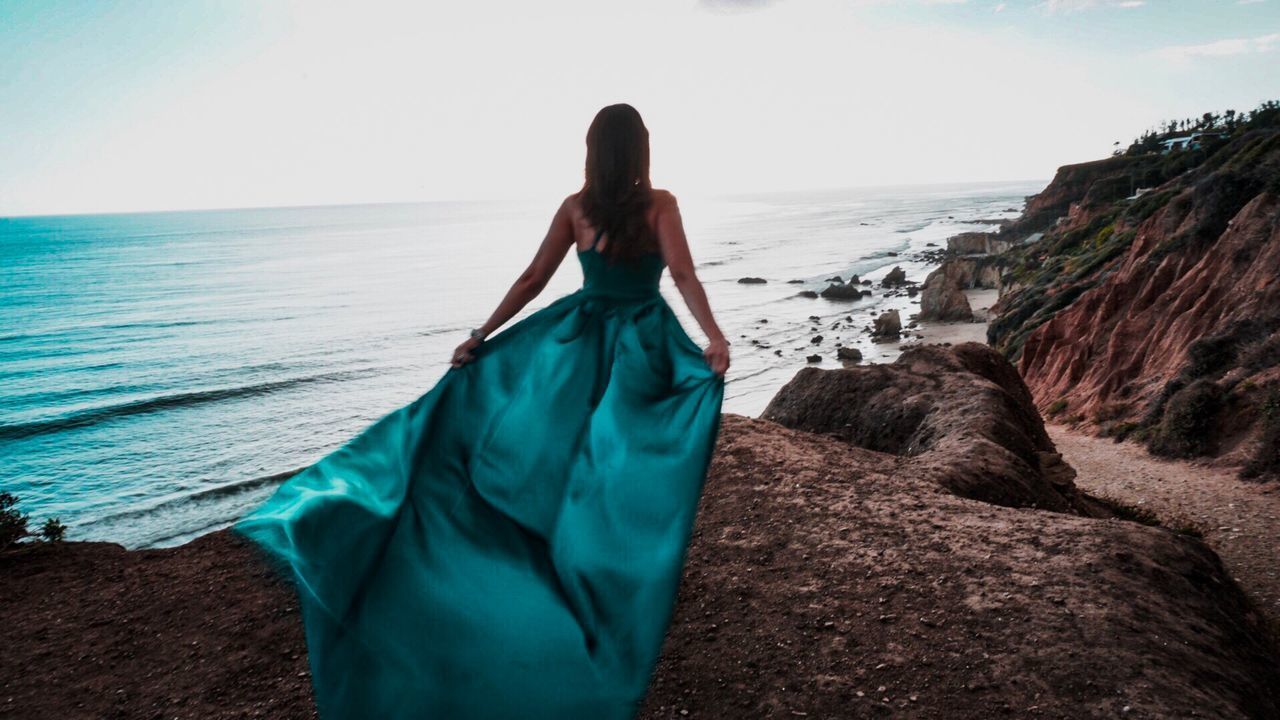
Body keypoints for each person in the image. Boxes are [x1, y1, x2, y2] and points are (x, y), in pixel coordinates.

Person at [234, 102, 728, 720]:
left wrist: (483, 334)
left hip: (572, 346)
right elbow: (680, 272)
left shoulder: (576, 208)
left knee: (548, 453)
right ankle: (602, 568)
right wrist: (713, 337)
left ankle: (550, 560)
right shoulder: (662, 203)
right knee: (621, 457)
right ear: (641, 150)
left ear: (593, 151)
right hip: (642, 347)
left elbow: (532, 279)